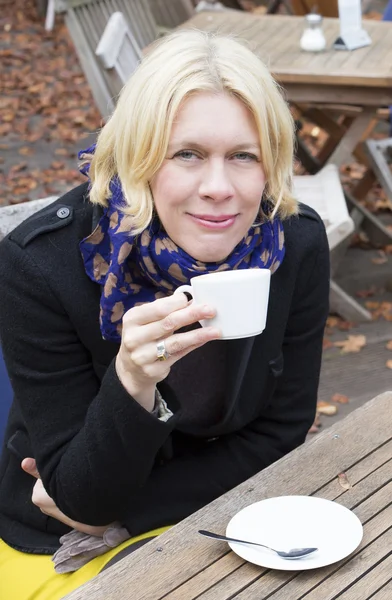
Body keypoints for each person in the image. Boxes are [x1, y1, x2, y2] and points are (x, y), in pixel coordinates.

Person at [0, 29, 329, 600]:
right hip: (53, 543)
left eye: (244, 156)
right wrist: (132, 379)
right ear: (138, 156)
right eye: (188, 154)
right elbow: (76, 499)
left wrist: (128, 509)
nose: (219, 188)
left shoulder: (292, 245)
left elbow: (282, 430)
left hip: (220, 515)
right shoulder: (41, 266)